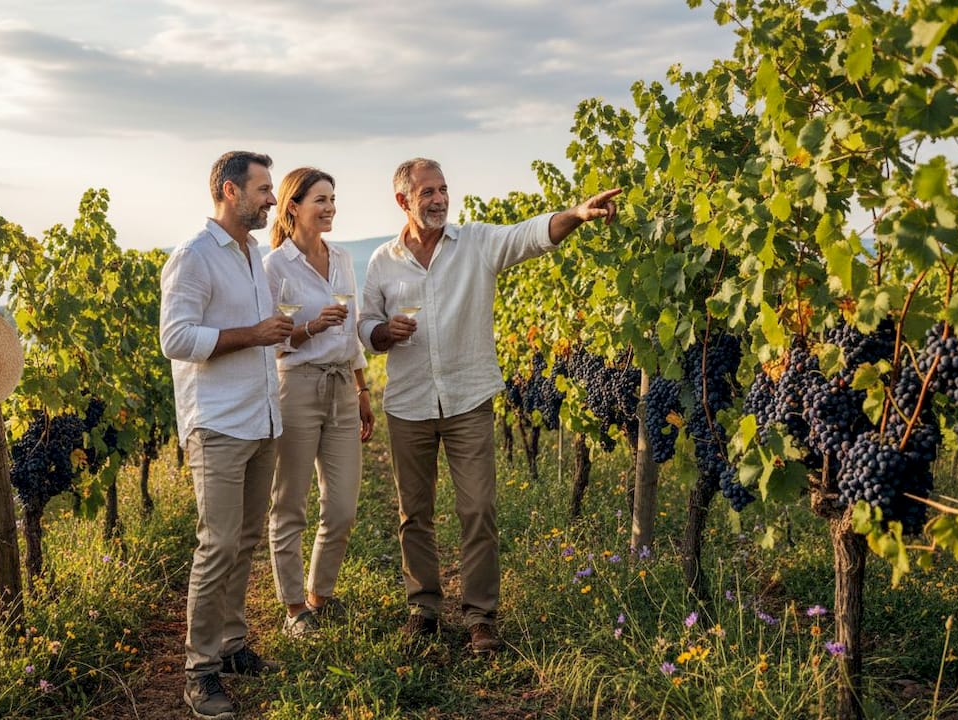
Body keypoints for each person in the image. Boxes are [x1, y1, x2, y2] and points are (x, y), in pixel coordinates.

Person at [358, 157, 620, 655]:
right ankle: (423, 609)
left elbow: (530, 235)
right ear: (402, 201)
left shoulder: (476, 243)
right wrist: (383, 332)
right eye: (427, 192)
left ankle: (480, 617)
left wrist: (576, 215)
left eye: (443, 189)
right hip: (409, 403)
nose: (439, 199)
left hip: (468, 398)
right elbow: (365, 326)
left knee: (478, 509)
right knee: (414, 513)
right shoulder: (382, 261)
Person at [159, 150, 291, 720]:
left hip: (262, 418)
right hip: (217, 423)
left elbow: (258, 335)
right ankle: (199, 671)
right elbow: (175, 338)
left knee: (245, 540)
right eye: (263, 189)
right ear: (230, 191)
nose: (271, 199)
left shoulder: (253, 253)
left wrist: (278, 333)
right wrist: (254, 333)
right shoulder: (193, 257)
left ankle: (233, 645)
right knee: (217, 545)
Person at [263, 167, 376, 638]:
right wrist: (310, 328)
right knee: (290, 503)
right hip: (298, 386)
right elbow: (269, 341)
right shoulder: (274, 266)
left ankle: (319, 596)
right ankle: (294, 608)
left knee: (343, 505)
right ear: (293, 207)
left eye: (333, 199)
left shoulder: (343, 258)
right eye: (321, 200)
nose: (330, 208)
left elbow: (350, 332)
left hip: (342, 387)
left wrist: (362, 389)